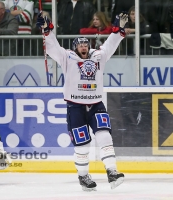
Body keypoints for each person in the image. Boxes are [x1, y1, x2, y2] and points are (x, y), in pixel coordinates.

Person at [36, 11, 128, 191]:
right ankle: (83, 176)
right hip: (75, 107)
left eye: (86, 44)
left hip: (96, 104)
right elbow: (53, 47)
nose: (84, 47)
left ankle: (112, 171)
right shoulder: (67, 57)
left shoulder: (98, 56)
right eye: (80, 45)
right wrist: (47, 31)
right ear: (75, 47)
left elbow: (110, 44)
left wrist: (118, 30)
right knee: (83, 143)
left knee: (104, 135)